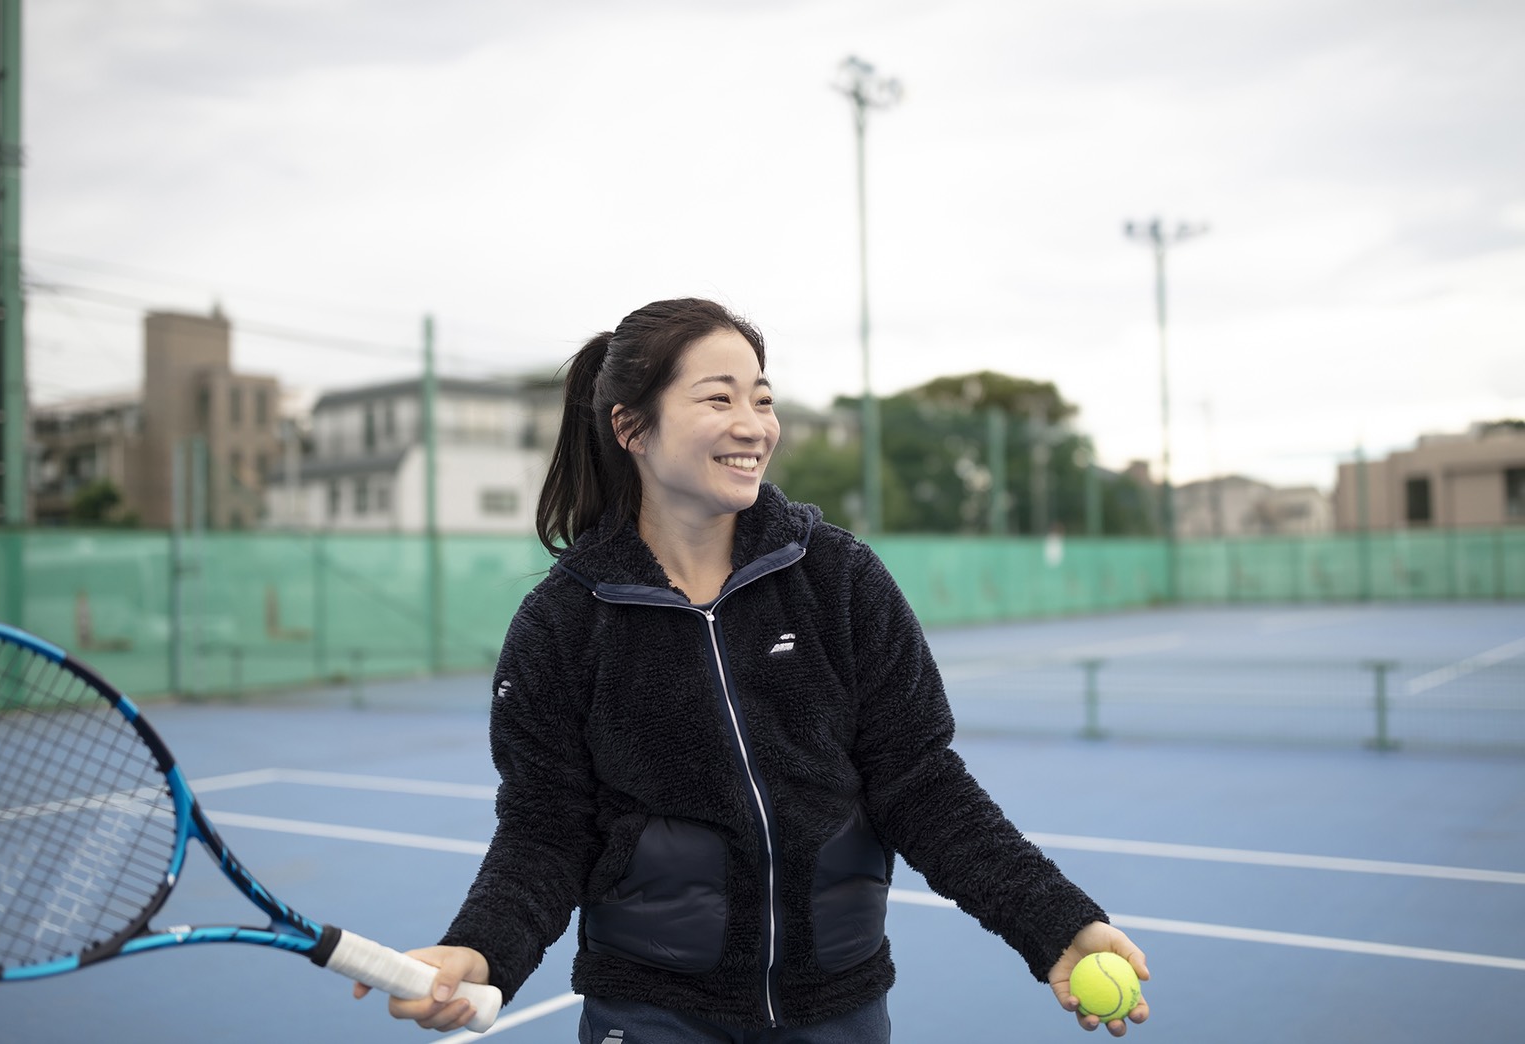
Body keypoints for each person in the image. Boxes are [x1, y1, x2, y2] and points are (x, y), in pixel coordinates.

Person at [354, 297, 1151, 1041]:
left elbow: (920, 782)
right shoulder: (561, 624)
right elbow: (545, 829)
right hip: (652, 1012)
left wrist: (1057, 921)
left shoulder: (839, 578)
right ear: (632, 428)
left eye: (762, 399)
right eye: (718, 398)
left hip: (839, 1006)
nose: (754, 425)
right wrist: (479, 949)